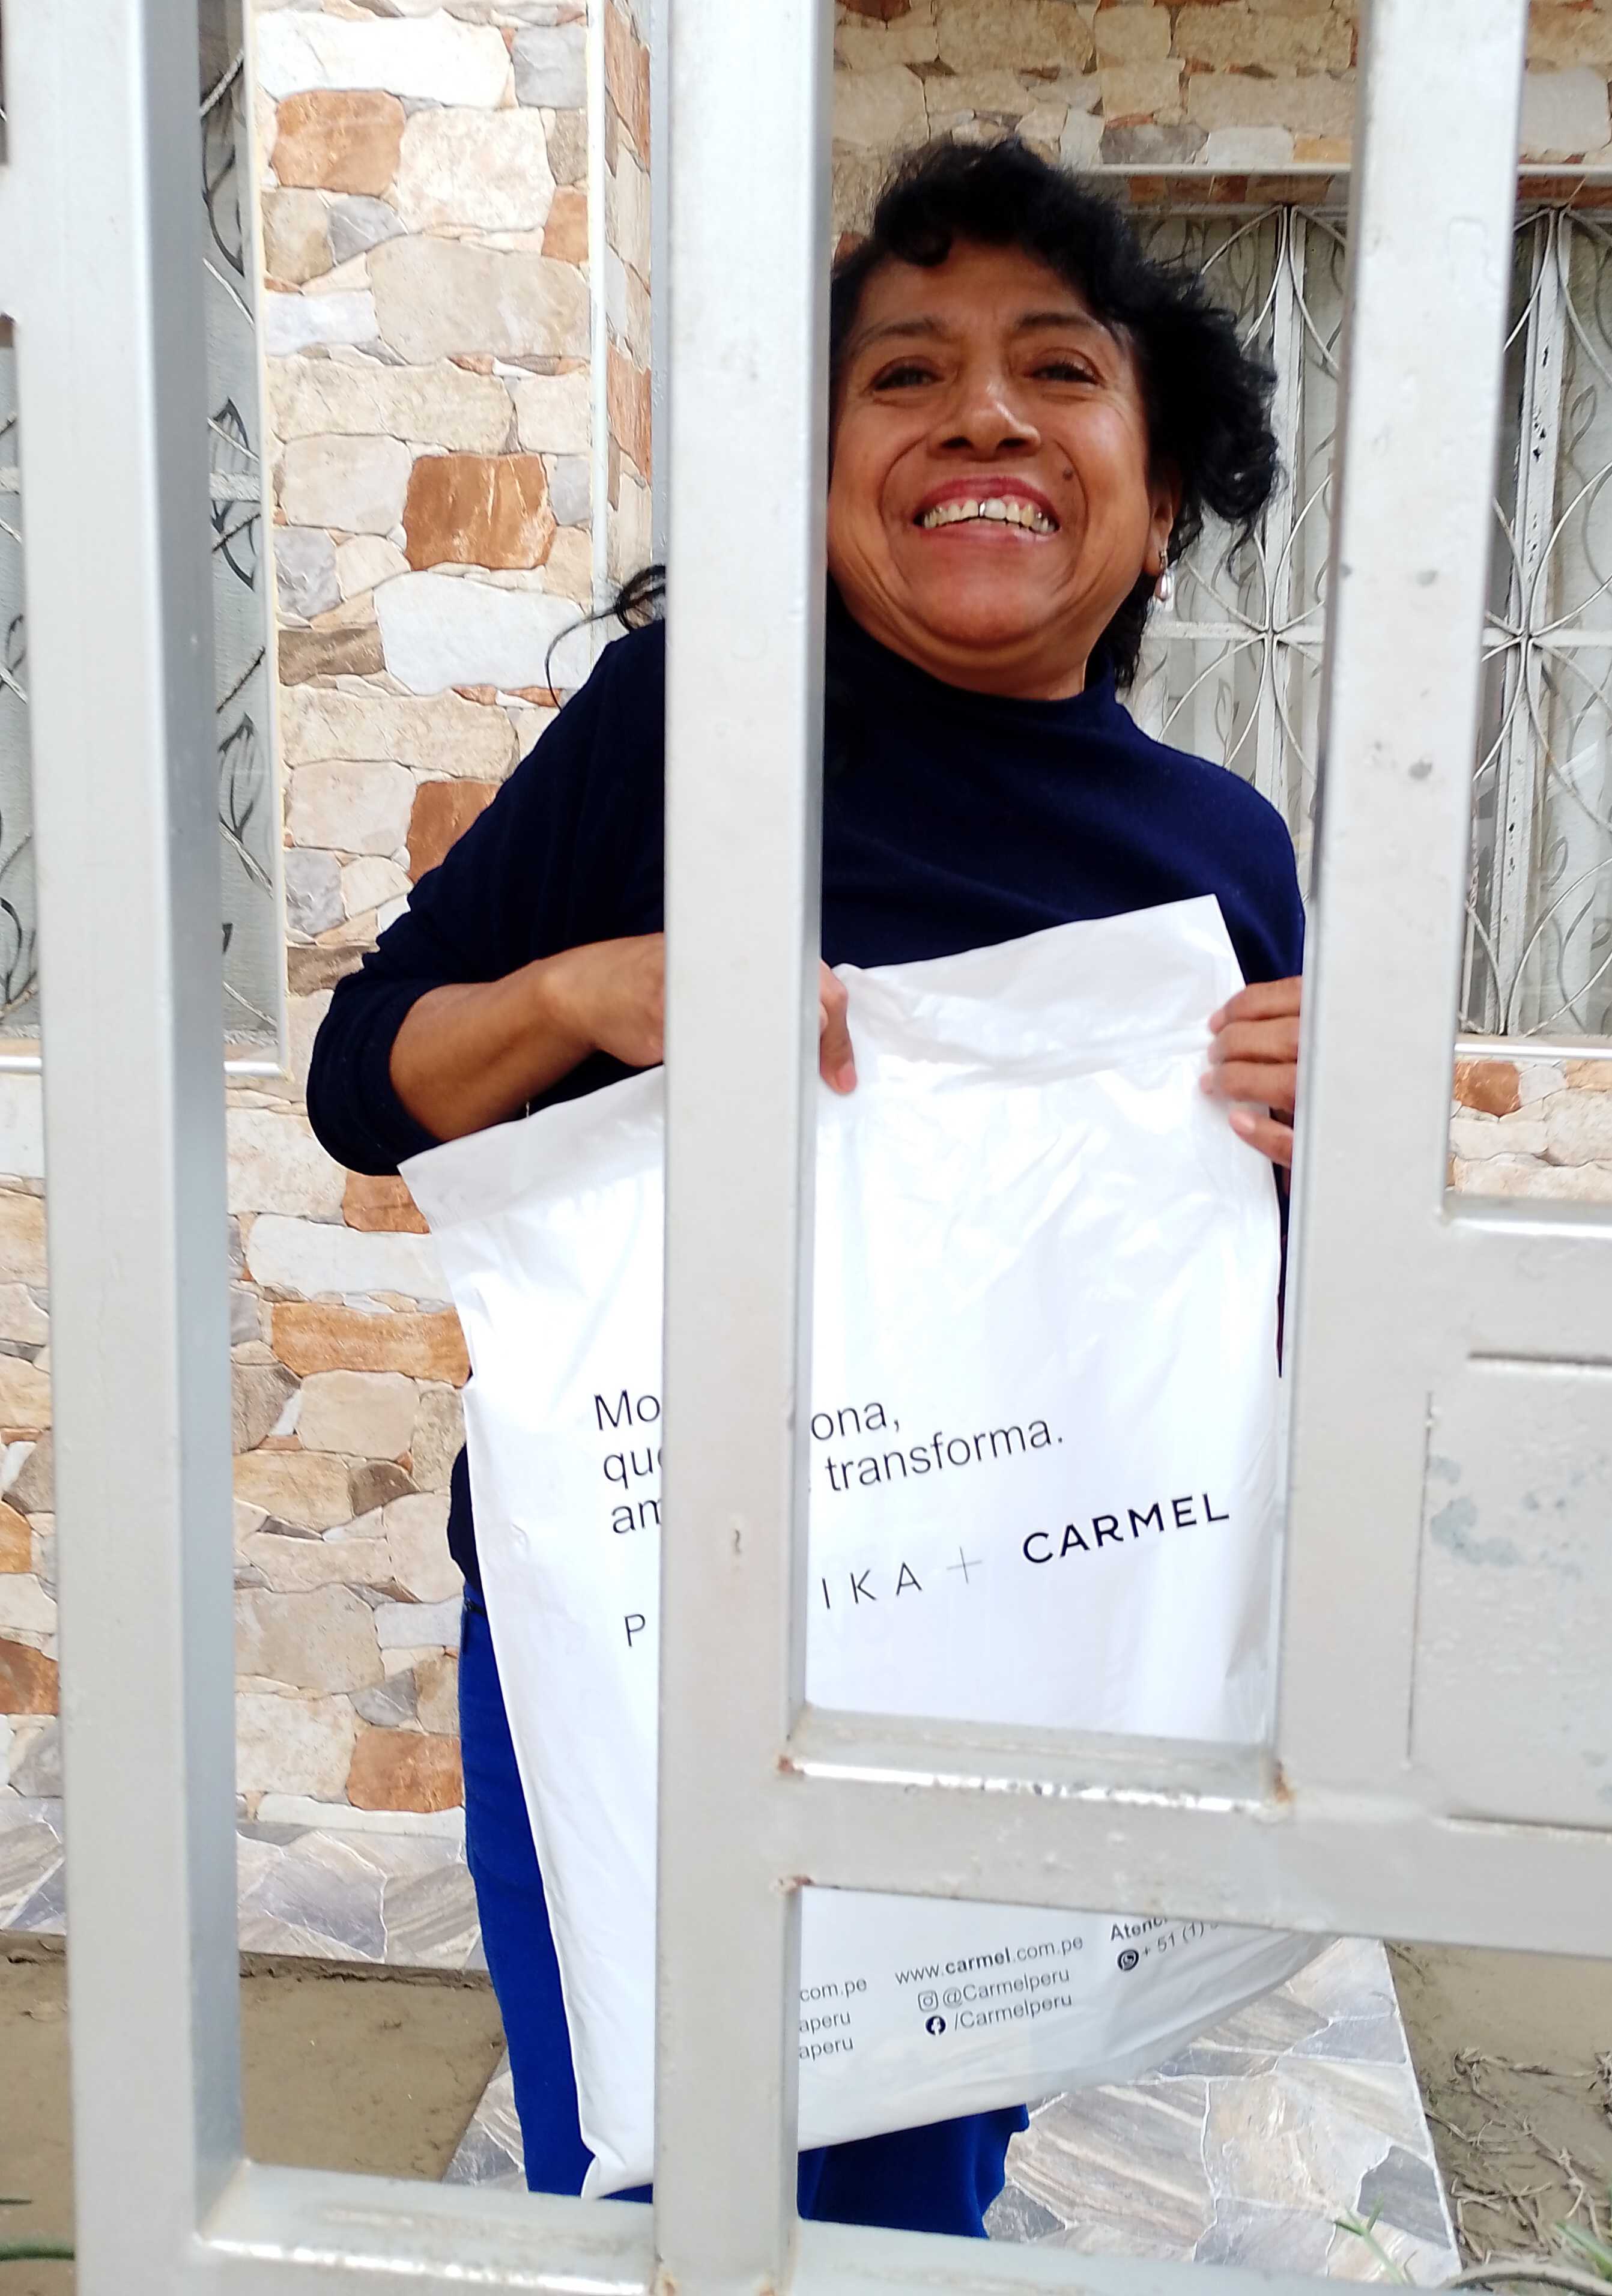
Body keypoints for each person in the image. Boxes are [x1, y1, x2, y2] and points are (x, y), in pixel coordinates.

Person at [306, 138, 1304, 2232]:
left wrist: (1337, 1137)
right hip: (663, 1614)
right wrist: (582, 992)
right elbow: (361, 1086)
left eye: (1059, 368)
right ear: (818, 473)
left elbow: (1250, 1300)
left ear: (1161, 495)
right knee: (674, 2171)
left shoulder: (1220, 853)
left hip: (1028, 1622)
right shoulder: (686, 729)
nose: (985, 418)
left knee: (923, 2156)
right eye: (903, 374)